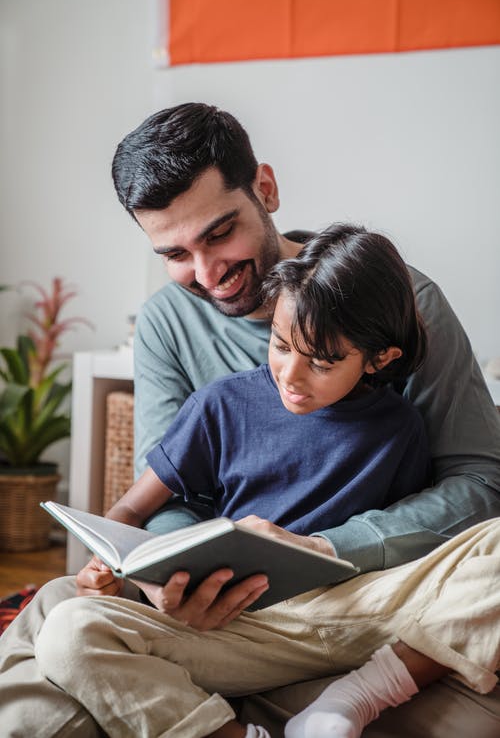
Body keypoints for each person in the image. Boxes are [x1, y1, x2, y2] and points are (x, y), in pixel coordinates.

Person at [0, 103, 499, 737]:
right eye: (175, 253)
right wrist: (174, 572)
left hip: (367, 606)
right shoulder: (167, 325)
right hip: (203, 618)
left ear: (265, 188)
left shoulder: (399, 303)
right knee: (52, 627)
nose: (206, 275)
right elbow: (167, 492)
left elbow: (478, 484)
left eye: (218, 233)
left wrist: (323, 549)